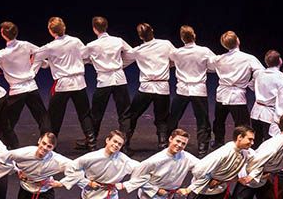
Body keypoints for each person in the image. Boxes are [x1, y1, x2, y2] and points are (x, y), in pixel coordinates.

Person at [32, 17, 95, 148]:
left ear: (50, 31)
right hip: (79, 82)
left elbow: (37, 58)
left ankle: (50, 144)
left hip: (62, 84)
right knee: (84, 114)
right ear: (64, 27)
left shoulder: (49, 47)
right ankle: (92, 142)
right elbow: (85, 56)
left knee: (54, 116)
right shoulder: (75, 41)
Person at [0, 21, 51, 148]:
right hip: (31, 87)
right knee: (43, 117)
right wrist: (42, 64)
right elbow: (41, 52)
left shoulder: (2, 54)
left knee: (8, 122)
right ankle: (47, 142)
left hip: (17, 91)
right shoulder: (25, 45)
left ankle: (6, 146)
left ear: (3, 34)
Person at [119, 23, 176, 153]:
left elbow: (122, 62)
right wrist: (167, 66)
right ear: (152, 31)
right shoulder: (165, 44)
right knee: (162, 118)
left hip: (146, 87)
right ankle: (162, 144)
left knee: (131, 115)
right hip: (162, 87)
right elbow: (175, 59)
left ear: (140, 36)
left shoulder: (138, 50)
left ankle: (125, 143)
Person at [79, 16, 132, 151]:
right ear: (106, 26)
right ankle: (124, 145)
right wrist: (121, 65)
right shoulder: (118, 40)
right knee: (124, 113)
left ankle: (91, 141)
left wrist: (93, 61)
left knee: (97, 113)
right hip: (119, 78)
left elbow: (80, 57)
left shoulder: (92, 45)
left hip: (104, 80)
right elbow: (131, 54)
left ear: (94, 29)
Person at [166, 26, 215, 157]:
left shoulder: (176, 53)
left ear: (182, 38)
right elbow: (213, 66)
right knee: (202, 120)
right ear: (194, 36)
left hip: (182, 89)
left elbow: (169, 62)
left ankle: (167, 142)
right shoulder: (204, 51)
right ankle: (202, 148)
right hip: (198, 89)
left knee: (173, 117)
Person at [209, 32, 262, 147]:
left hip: (223, 94)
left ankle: (218, 142)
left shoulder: (219, 59)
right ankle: (244, 144)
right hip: (237, 96)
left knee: (219, 121)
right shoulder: (248, 58)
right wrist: (251, 84)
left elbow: (209, 64)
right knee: (242, 124)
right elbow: (260, 72)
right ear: (238, 41)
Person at [249, 50, 283, 148]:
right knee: (269, 142)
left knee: (255, 141)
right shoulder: (281, 78)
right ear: (280, 61)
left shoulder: (259, 74)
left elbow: (252, 86)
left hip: (256, 111)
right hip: (269, 114)